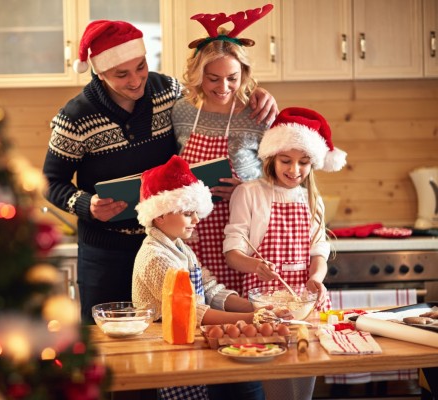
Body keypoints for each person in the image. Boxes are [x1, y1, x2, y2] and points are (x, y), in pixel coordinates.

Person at [42, 19, 278, 323]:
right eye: (121, 74)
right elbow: (49, 182)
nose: (136, 80)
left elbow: (214, 96)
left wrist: (256, 92)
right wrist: (87, 205)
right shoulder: (74, 117)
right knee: (109, 342)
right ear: (99, 72)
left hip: (170, 246)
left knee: (172, 333)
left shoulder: (167, 91)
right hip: (108, 253)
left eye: (141, 66)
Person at [223, 107, 348, 400]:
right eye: (286, 161)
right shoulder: (250, 193)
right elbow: (232, 252)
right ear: (271, 158)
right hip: (266, 304)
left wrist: (317, 277)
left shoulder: (312, 199)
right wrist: (254, 265)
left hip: (306, 300)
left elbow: (319, 250)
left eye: (304, 163)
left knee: (304, 372)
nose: (294, 170)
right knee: (276, 377)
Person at [132, 154, 272, 400]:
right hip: (166, 348)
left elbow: (210, 290)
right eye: (188, 213)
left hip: (191, 338)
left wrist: (259, 307)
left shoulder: (181, 248)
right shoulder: (155, 256)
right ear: (160, 215)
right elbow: (190, 312)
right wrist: (252, 318)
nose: (197, 220)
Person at [173, 4, 276, 296]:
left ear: (244, 73)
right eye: (213, 78)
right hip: (194, 232)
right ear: (198, 75)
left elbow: (282, 180)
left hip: (242, 230)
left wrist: (248, 190)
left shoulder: (258, 114)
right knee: (202, 305)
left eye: (232, 77)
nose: (224, 87)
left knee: (244, 310)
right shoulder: (180, 111)